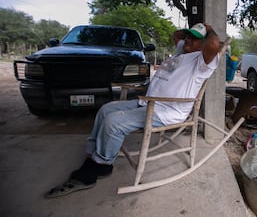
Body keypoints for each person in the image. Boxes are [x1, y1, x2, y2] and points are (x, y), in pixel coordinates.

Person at [46, 23, 221, 198]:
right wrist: (191, 32)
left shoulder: (201, 62)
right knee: (105, 110)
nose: (187, 40)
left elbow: (213, 45)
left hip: (165, 110)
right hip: (148, 103)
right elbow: (177, 35)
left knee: (113, 123)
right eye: (188, 37)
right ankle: (94, 154)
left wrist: (209, 29)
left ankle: (101, 166)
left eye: (194, 38)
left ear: (203, 43)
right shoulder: (182, 51)